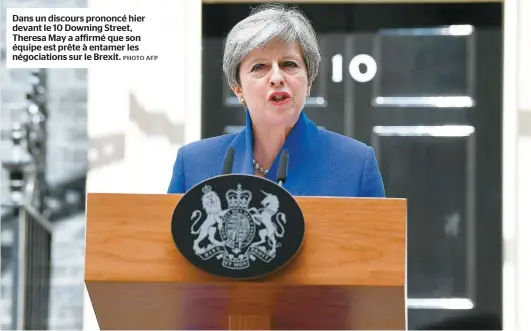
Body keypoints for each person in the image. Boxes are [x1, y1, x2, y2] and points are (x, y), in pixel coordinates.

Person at [167, 3, 385, 198]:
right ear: (238, 89)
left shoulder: (356, 164)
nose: (277, 77)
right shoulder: (194, 164)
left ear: (308, 82)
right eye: (259, 67)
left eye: (289, 64)